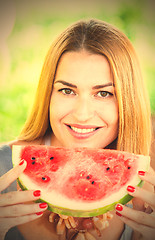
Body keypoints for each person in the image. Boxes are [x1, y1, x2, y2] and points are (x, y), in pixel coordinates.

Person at [0, 18, 155, 240]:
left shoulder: (147, 192)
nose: (82, 114)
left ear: (127, 102)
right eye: (66, 90)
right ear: (48, 95)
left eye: (103, 93)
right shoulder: (2, 169)